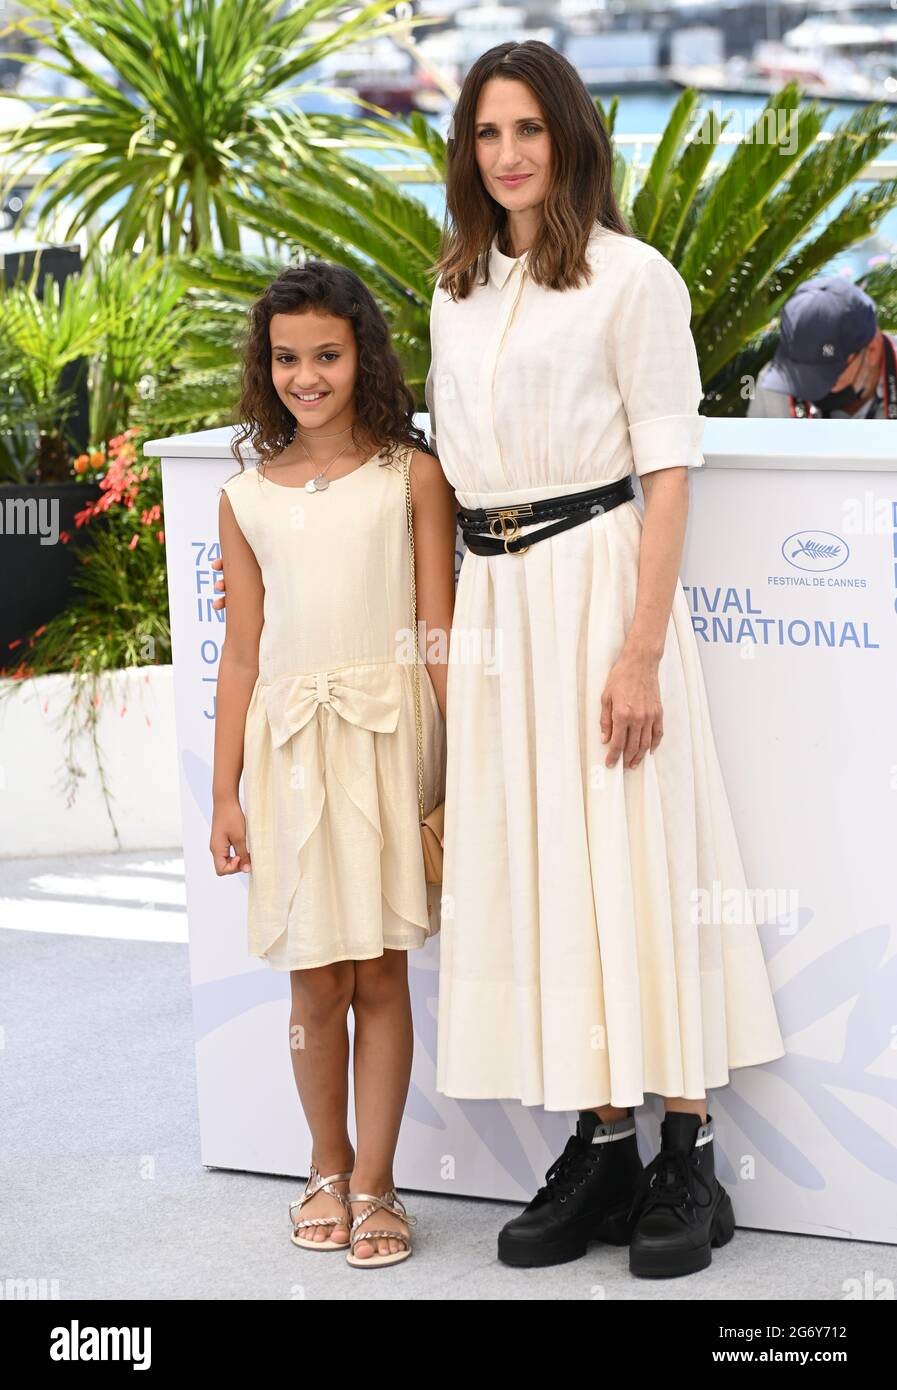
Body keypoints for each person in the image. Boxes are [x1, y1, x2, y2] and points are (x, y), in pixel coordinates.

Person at [425, 40, 785, 1279]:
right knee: (538, 870)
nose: (510, 154)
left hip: (596, 585)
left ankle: (689, 1150)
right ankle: (603, 1147)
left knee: (635, 854)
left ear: (573, 137)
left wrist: (639, 648)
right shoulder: (455, 287)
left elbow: (667, 469)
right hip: (496, 601)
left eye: (530, 129)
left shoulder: (635, 279)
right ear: (467, 153)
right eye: (487, 134)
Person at [209, 262, 456, 1267]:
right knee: (316, 981)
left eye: (325, 355)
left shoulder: (412, 475)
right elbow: (241, 649)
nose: (305, 375)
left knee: (383, 971)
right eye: (286, 358)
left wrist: (457, 763)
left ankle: (377, 1182)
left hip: (391, 736)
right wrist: (225, 792)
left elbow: (438, 626)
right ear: (265, 368)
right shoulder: (243, 496)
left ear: (363, 357)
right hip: (290, 750)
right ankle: (324, 1162)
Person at [747, 275, 897, 419]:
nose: (809, 384)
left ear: (872, 351)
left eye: (827, 371)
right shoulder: (774, 386)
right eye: (800, 368)